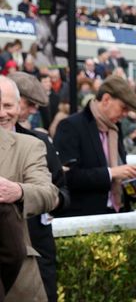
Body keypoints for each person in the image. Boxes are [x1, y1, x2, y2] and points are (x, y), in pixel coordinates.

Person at [2, 74, 69, 302]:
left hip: (32, 254)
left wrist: (21, 192)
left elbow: (58, 192)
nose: (4, 113)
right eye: (30, 104)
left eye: (9, 105)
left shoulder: (36, 143)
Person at [53, 76, 136, 216]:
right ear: (106, 99)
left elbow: (116, 181)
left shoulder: (115, 129)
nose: (125, 114)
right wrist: (111, 173)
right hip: (84, 222)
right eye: (123, 108)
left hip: (117, 215)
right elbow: (67, 177)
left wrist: (134, 192)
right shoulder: (71, 126)